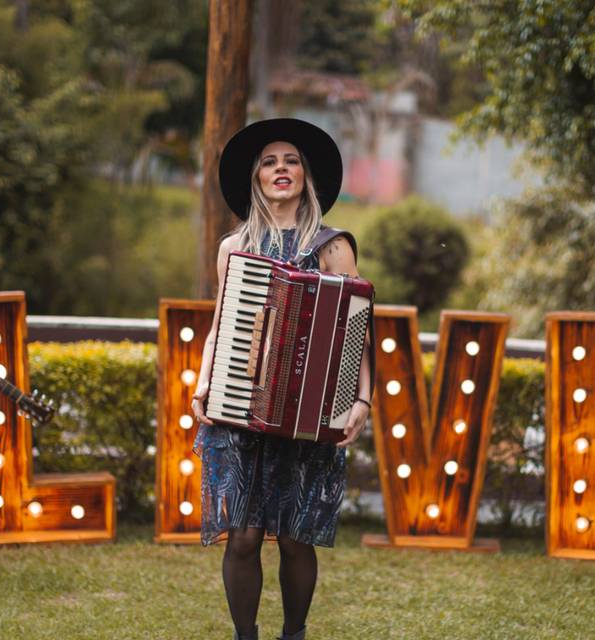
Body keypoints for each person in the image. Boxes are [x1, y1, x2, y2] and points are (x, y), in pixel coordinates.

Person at [191, 118, 372, 640]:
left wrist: (361, 398)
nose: (280, 169)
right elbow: (218, 327)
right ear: (256, 179)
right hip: (239, 406)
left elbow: (355, 330)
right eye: (269, 162)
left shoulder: (332, 246)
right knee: (243, 537)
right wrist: (204, 384)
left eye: (290, 160)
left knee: (295, 537)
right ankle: (244, 635)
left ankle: (294, 633)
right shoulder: (234, 248)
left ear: (305, 175)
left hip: (306, 412)